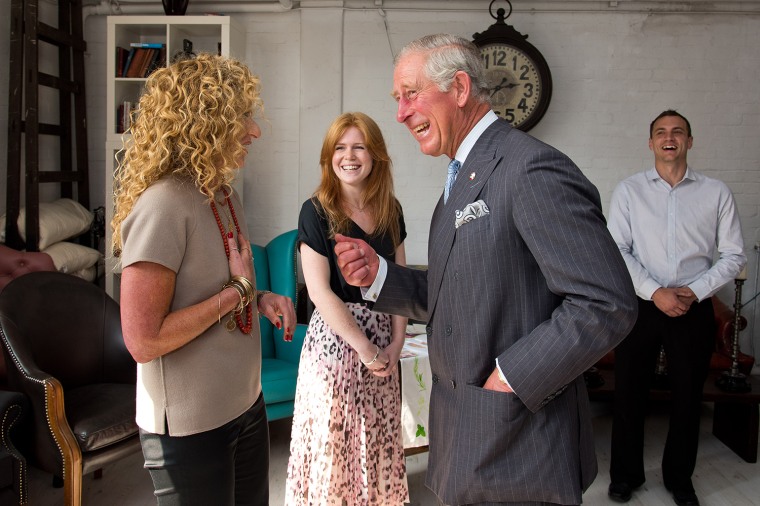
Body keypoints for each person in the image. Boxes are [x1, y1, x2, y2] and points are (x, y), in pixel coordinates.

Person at [333, 33, 638, 506]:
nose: (400, 114)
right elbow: (457, 291)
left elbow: (606, 302)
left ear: (458, 88)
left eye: (411, 94)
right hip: (469, 435)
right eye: (397, 99)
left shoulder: (530, 168)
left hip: (519, 441)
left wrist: (511, 376)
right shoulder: (462, 176)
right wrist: (379, 277)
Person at [111, 53, 296, 505]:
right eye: (241, 118)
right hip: (190, 426)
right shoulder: (163, 205)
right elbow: (142, 340)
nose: (253, 131)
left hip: (244, 402)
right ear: (205, 121)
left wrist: (261, 297)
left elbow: (211, 285)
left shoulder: (222, 193)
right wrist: (238, 293)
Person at [606, 110, 746, 506]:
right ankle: (625, 476)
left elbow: (733, 255)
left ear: (689, 141)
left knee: (687, 397)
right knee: (630, 394)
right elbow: (617, 250)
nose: (670, 138)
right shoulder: (630, 191)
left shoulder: (716, 192)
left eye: (678, 132)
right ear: (650, 143)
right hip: (642, 303)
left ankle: (679, 478)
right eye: (661, 133)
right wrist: (655, 292)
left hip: (694, 305)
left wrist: (694, 290)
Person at [285, 112, 409, 505]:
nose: (349, 156)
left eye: (359, 147)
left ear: (375, 156)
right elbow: (320, 293)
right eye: (340, 147)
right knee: (335, 452)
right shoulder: (316, 210)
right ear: (329, 156)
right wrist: (366, 348)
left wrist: (396, 344)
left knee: (378, 446)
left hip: (384, 347)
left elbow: (401, 282)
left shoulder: (391, 209)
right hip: (336, 346)